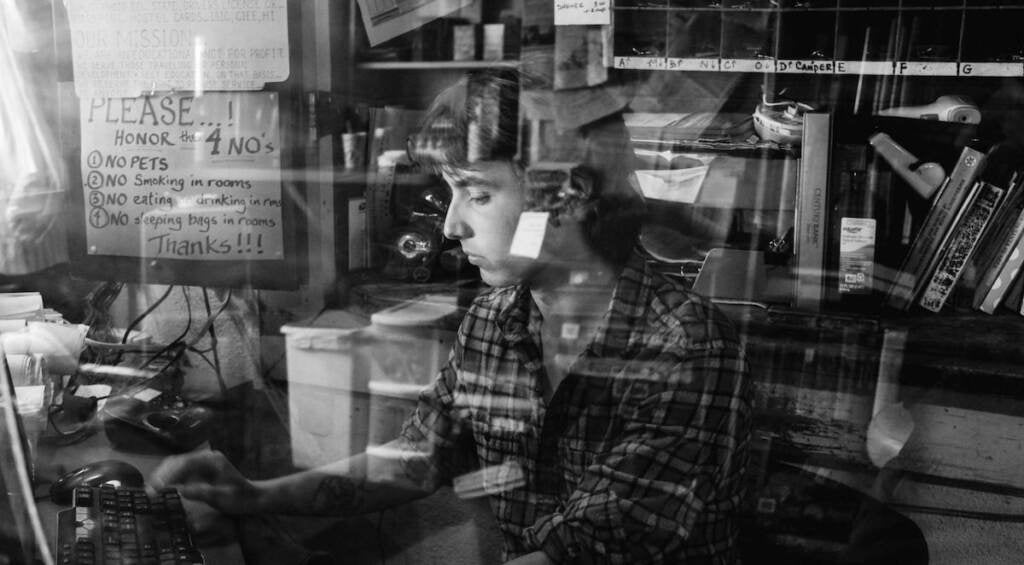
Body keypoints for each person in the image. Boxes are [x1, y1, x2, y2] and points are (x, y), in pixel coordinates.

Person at [153, 68, 752, 564]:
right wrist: (255, 496)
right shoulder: (495, 319)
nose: (451, 225)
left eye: (479, 194)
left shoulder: (685, 347)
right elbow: (416, 461)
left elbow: (579, 551)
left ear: (565, 196)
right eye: (451, 193)